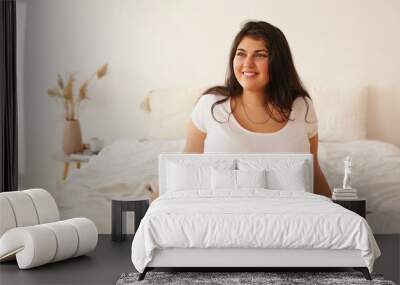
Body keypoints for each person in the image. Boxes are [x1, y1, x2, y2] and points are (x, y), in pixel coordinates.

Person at [184, 21, 332, 198]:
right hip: (223, 217)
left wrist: (337, 211)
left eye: (260, 55)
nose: (248, 63)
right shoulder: (210, 105)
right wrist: (157, 203)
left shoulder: (302, 107)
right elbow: (185, 172)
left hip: (289, 218)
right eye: (241, 54)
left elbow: (313, 172)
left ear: (278, 62)